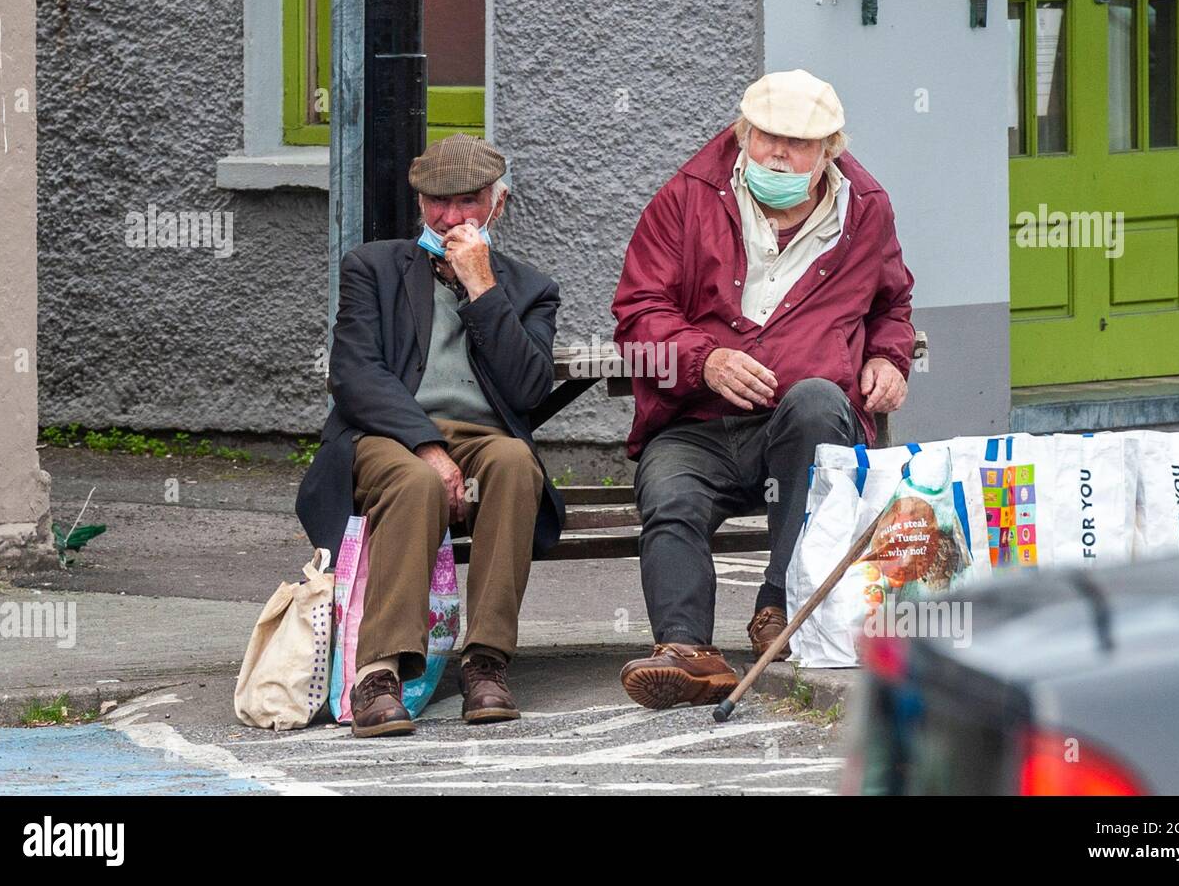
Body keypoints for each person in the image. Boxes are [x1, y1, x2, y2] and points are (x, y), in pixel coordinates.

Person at [611, 70, 915, 709]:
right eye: (767, 137)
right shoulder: (688, 195)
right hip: (695, 419)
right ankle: (686, 650)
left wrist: (889, 356)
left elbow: (892, 301)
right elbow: (638, 312)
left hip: (799, 425)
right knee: (668, 491)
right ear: (744, 133)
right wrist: (705, 359)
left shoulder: (865, 208)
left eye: (797, 143)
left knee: (816, 405)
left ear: (829, 148)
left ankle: (779, 606)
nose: (778, 153)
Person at [296, 134, 564, 736]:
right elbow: (355, 376)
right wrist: (428, 445)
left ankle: (487, 660)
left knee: (517, 463)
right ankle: (378, 671)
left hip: (479, 434)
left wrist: (482, 289)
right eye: (436, 202)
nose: (450, 218)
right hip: (386, 436)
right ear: (419, 202)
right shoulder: (373, 267)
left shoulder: (528, 289)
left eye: (467, 201)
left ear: (499, 202)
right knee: (418, 482)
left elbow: (527, 391)